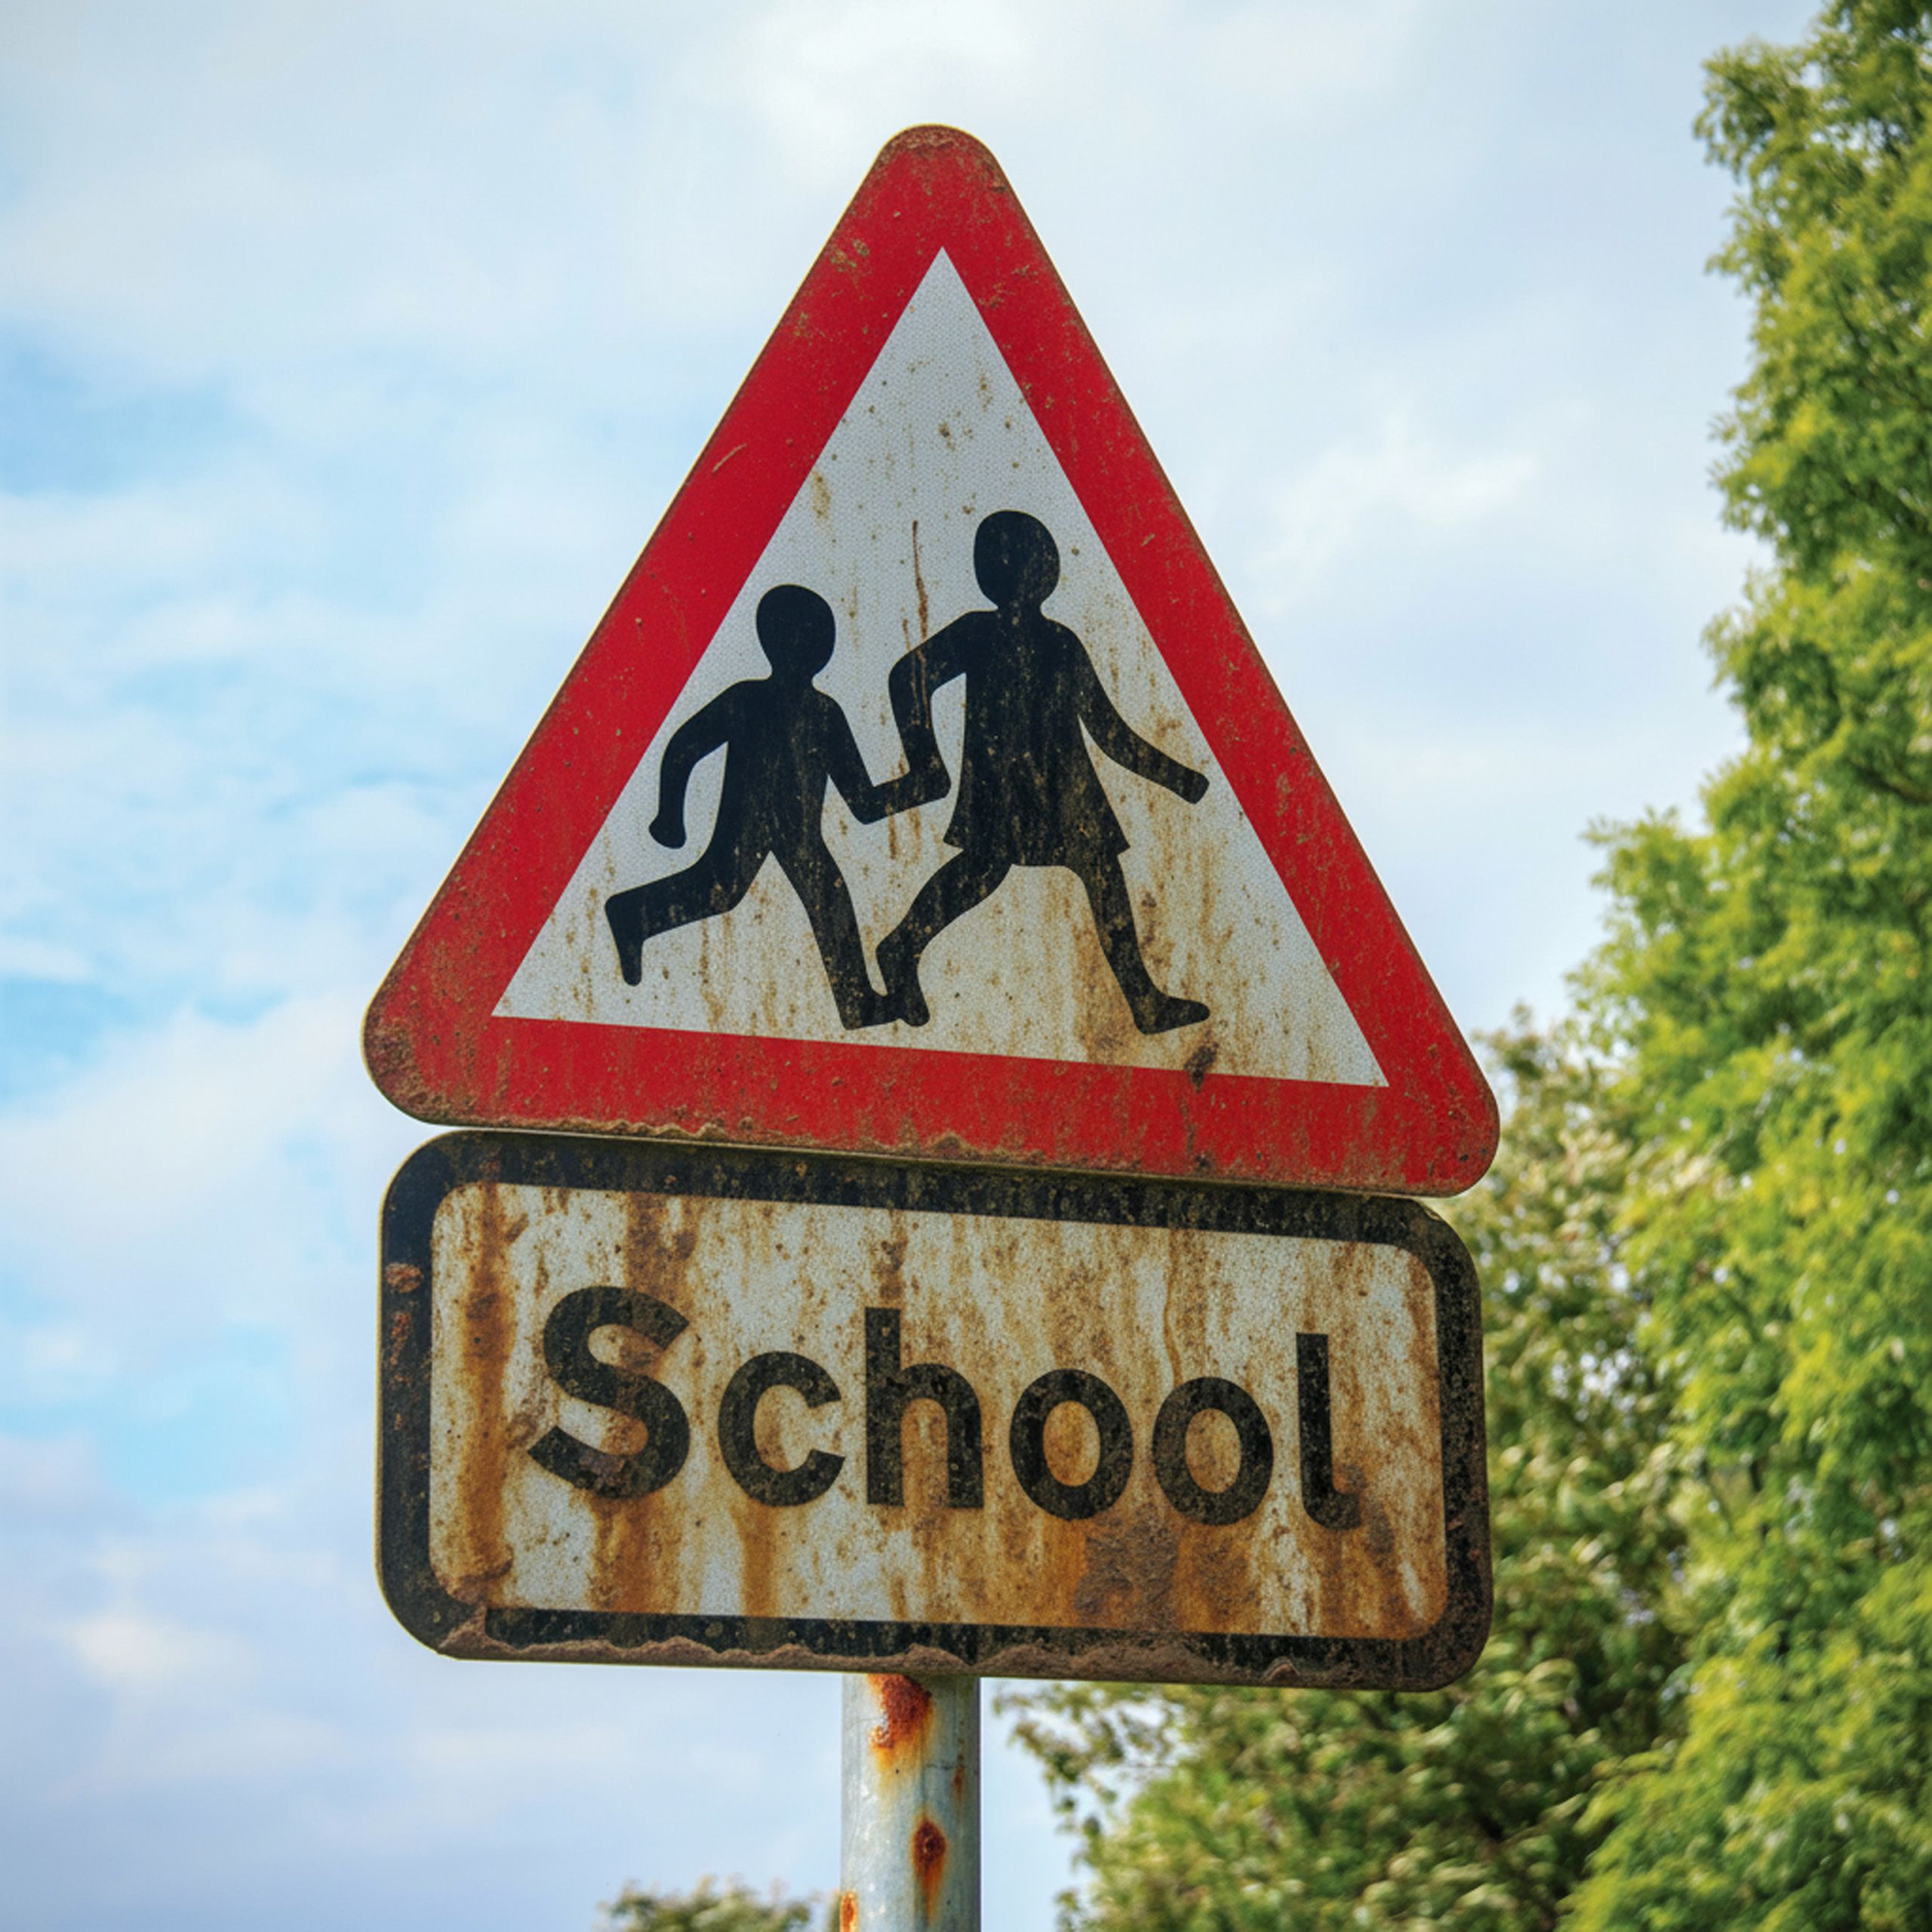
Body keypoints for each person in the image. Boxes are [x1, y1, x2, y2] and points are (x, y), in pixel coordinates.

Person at [876, 509, 1211, 1033]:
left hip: (1062, 786)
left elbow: (1108, 730)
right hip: (1004, 785)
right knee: (984, 871)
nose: (1040, 570)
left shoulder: (1062, 643)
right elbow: (906, 678)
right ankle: (901, 946)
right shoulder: (976, 633)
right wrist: (926, 761)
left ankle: (1144, 1001)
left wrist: (1176, 778)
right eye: (1031, 560)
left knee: (1084, 871)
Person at [605, 583, 922, 1029]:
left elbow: (863, 801)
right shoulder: (748, 700)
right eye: (809, 635)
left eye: (821, 635)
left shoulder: (825, 713)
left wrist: (917, 789)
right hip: (748, 823)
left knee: (817, 897)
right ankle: (631, 914)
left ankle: (858, 1004)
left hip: (800, 832)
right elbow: (686, 746)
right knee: (723, 888)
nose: (815, 645)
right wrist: (669, 815)